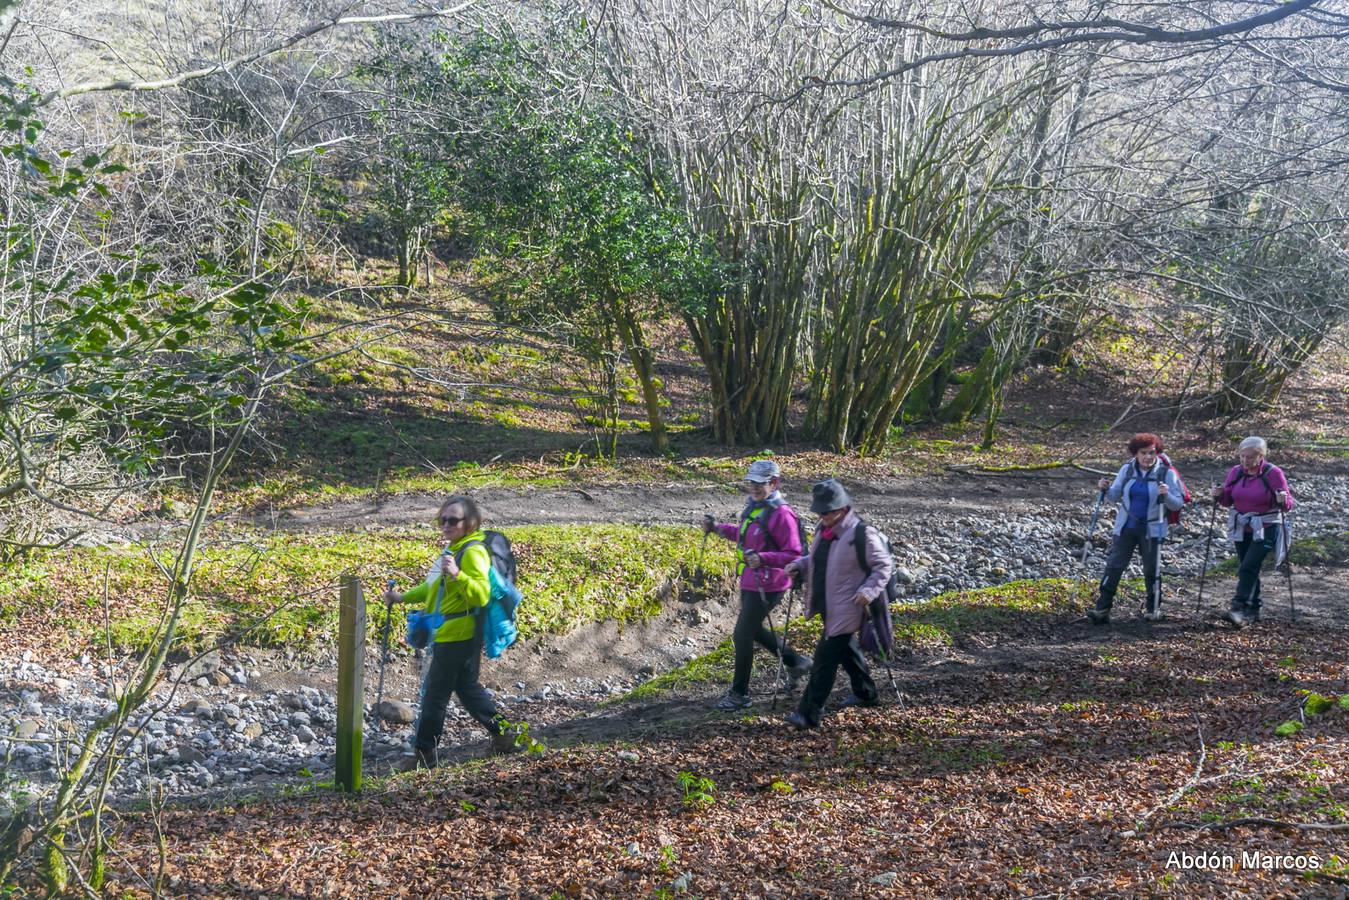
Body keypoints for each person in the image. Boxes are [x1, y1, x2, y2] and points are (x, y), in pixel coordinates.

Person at [385, 495, 520, 769]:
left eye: (453, 520)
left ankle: (424, 754)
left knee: (435, 694)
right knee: (466, 688)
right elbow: (432, 588)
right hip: (453, 631)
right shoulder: (453, 548)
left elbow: (482, 595)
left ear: (469, 523)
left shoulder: (472, 552)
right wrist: (401, 598)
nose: (446, 524)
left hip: (459, 633)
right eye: (442, 519)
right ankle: (504, 734)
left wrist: (459, 574)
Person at [701, 459, 812, 710]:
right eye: (750, 482)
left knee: (742, 634)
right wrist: (717, 528)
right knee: (753, 631)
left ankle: (740, 694)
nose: (753, 487)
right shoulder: (755, 507)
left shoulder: (782, 513)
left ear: (774, 483)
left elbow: (794, 555)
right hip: (751, 582)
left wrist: (763, 558)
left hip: (771, 584)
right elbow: (744, 533)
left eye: (759, 484)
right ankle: (797, 663)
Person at [782, 478, 890, 730]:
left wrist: (869, 590)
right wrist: (800, 564)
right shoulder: (824, 530)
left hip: (848, 606)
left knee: (824, 660)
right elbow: (821, 559)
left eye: (827, 511)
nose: (822, 516)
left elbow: (884, 565)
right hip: (827, 603)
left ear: (842, 508)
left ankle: (808, 714)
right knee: (847, 651)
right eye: (820, 511)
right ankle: (866, 693)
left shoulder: (861, 533)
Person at [1087, 433, 1185, 625]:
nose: (1149, 457)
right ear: (1135, 453)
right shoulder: (1127, 469)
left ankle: (1153, 608)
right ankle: (1102, 608)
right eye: (1144, 453)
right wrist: (1105, 489)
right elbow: (1115, 496)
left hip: (1153, 528)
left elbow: (1177, 504)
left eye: (1152, 453)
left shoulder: (1167, 474)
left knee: (1151, 569)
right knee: (1114, 566)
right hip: (1126, 527)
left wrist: (1166, 495)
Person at [1212, 436, 1295, 627]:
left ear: (1261, 456)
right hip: (1242, 526)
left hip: (1266, 527)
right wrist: (1218, 495)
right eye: (1242, 456)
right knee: (1249, 567)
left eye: (1249, 457)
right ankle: (1254, 609)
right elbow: (1227, 500)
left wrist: (1283, 499)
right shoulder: (1236, 472)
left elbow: (1288, 505)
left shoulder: (1273, 473)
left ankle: (1238, 609)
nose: (1245, 461)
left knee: (1248, 566)